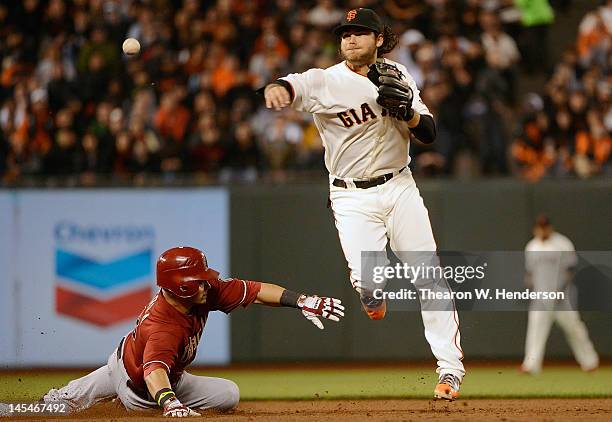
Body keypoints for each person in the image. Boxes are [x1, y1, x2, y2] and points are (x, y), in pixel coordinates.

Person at [261, 8, 464, 400]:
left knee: (431, 276)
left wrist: (406, 112)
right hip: (352, 196)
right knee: (371, 281)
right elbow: (293, 84)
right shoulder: (327, 81)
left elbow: (430, 132)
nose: (350, 39)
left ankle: (450, 369)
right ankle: (370, 291)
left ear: (378, 39)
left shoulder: (398, 74)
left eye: (359, 33)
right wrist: (277, 89)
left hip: (400, 186)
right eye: (345, 34)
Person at [41, 246, 344, 416]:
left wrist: (302, 300)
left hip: (138, 364)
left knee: (228, 394)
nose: (206, 282)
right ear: (180, 286)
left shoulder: (204, 292)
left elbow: (256, 289)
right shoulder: (164, 325)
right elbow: (153, 372)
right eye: (197, 279)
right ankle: (58, 400)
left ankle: (95, 394)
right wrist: (170, 402)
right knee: (60, 404)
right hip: (143, 390)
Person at [521, 215, 599, 374]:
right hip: (540, 298)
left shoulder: (562, 243)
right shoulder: (532, 246)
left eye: (545, 226)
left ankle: (590, 362)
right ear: (535, 229)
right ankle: (531, 366)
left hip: (562, 298)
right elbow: (530, 273)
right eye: (539, 226)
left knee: (575, 329)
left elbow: (571, 269)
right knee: (535, 331)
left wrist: (561, 291)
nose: (542, 229)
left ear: (550, 227)